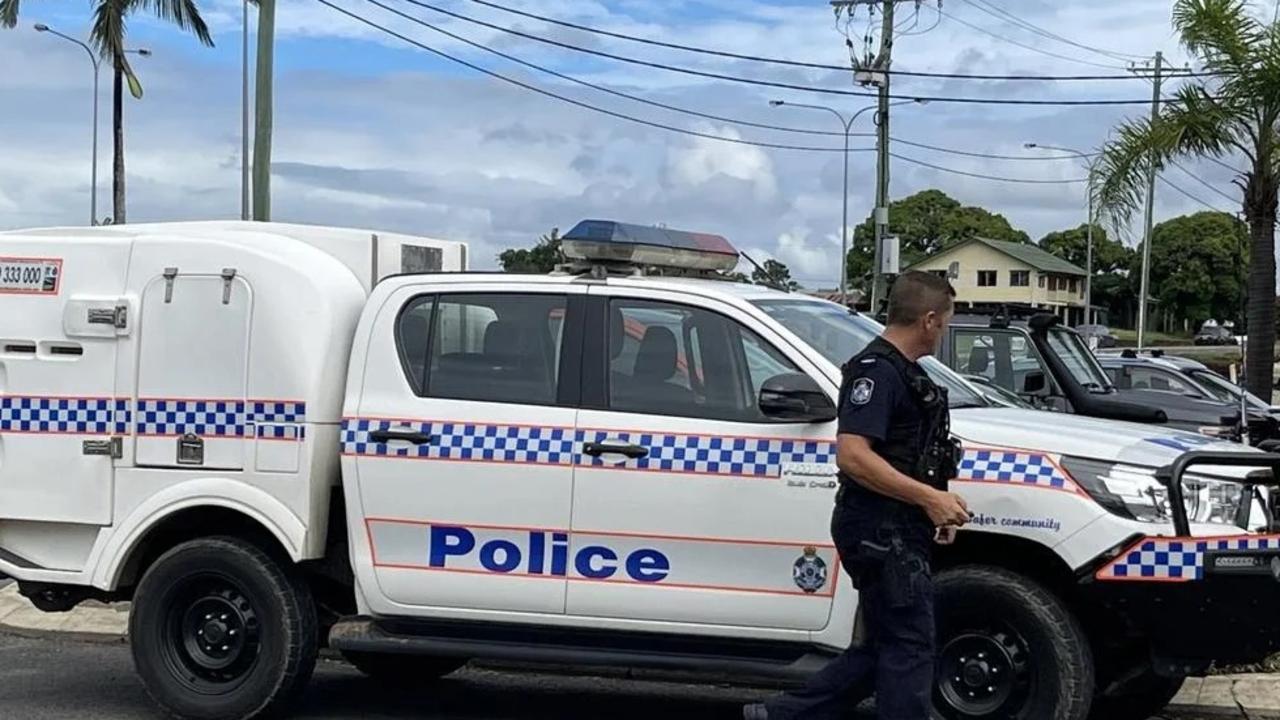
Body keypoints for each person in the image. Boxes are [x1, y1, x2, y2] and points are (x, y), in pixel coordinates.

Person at [745, 271, 971, 720]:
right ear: (928, 320)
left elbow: (907, 453)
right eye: (945, 323)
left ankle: (781, 715)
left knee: (883, 649)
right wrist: (928, 499)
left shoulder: (905, 374)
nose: (943, 333)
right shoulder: (877, 373)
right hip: (881, 530)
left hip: (899, 526)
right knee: (909, 648)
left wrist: (935, 505)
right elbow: (852, 455)